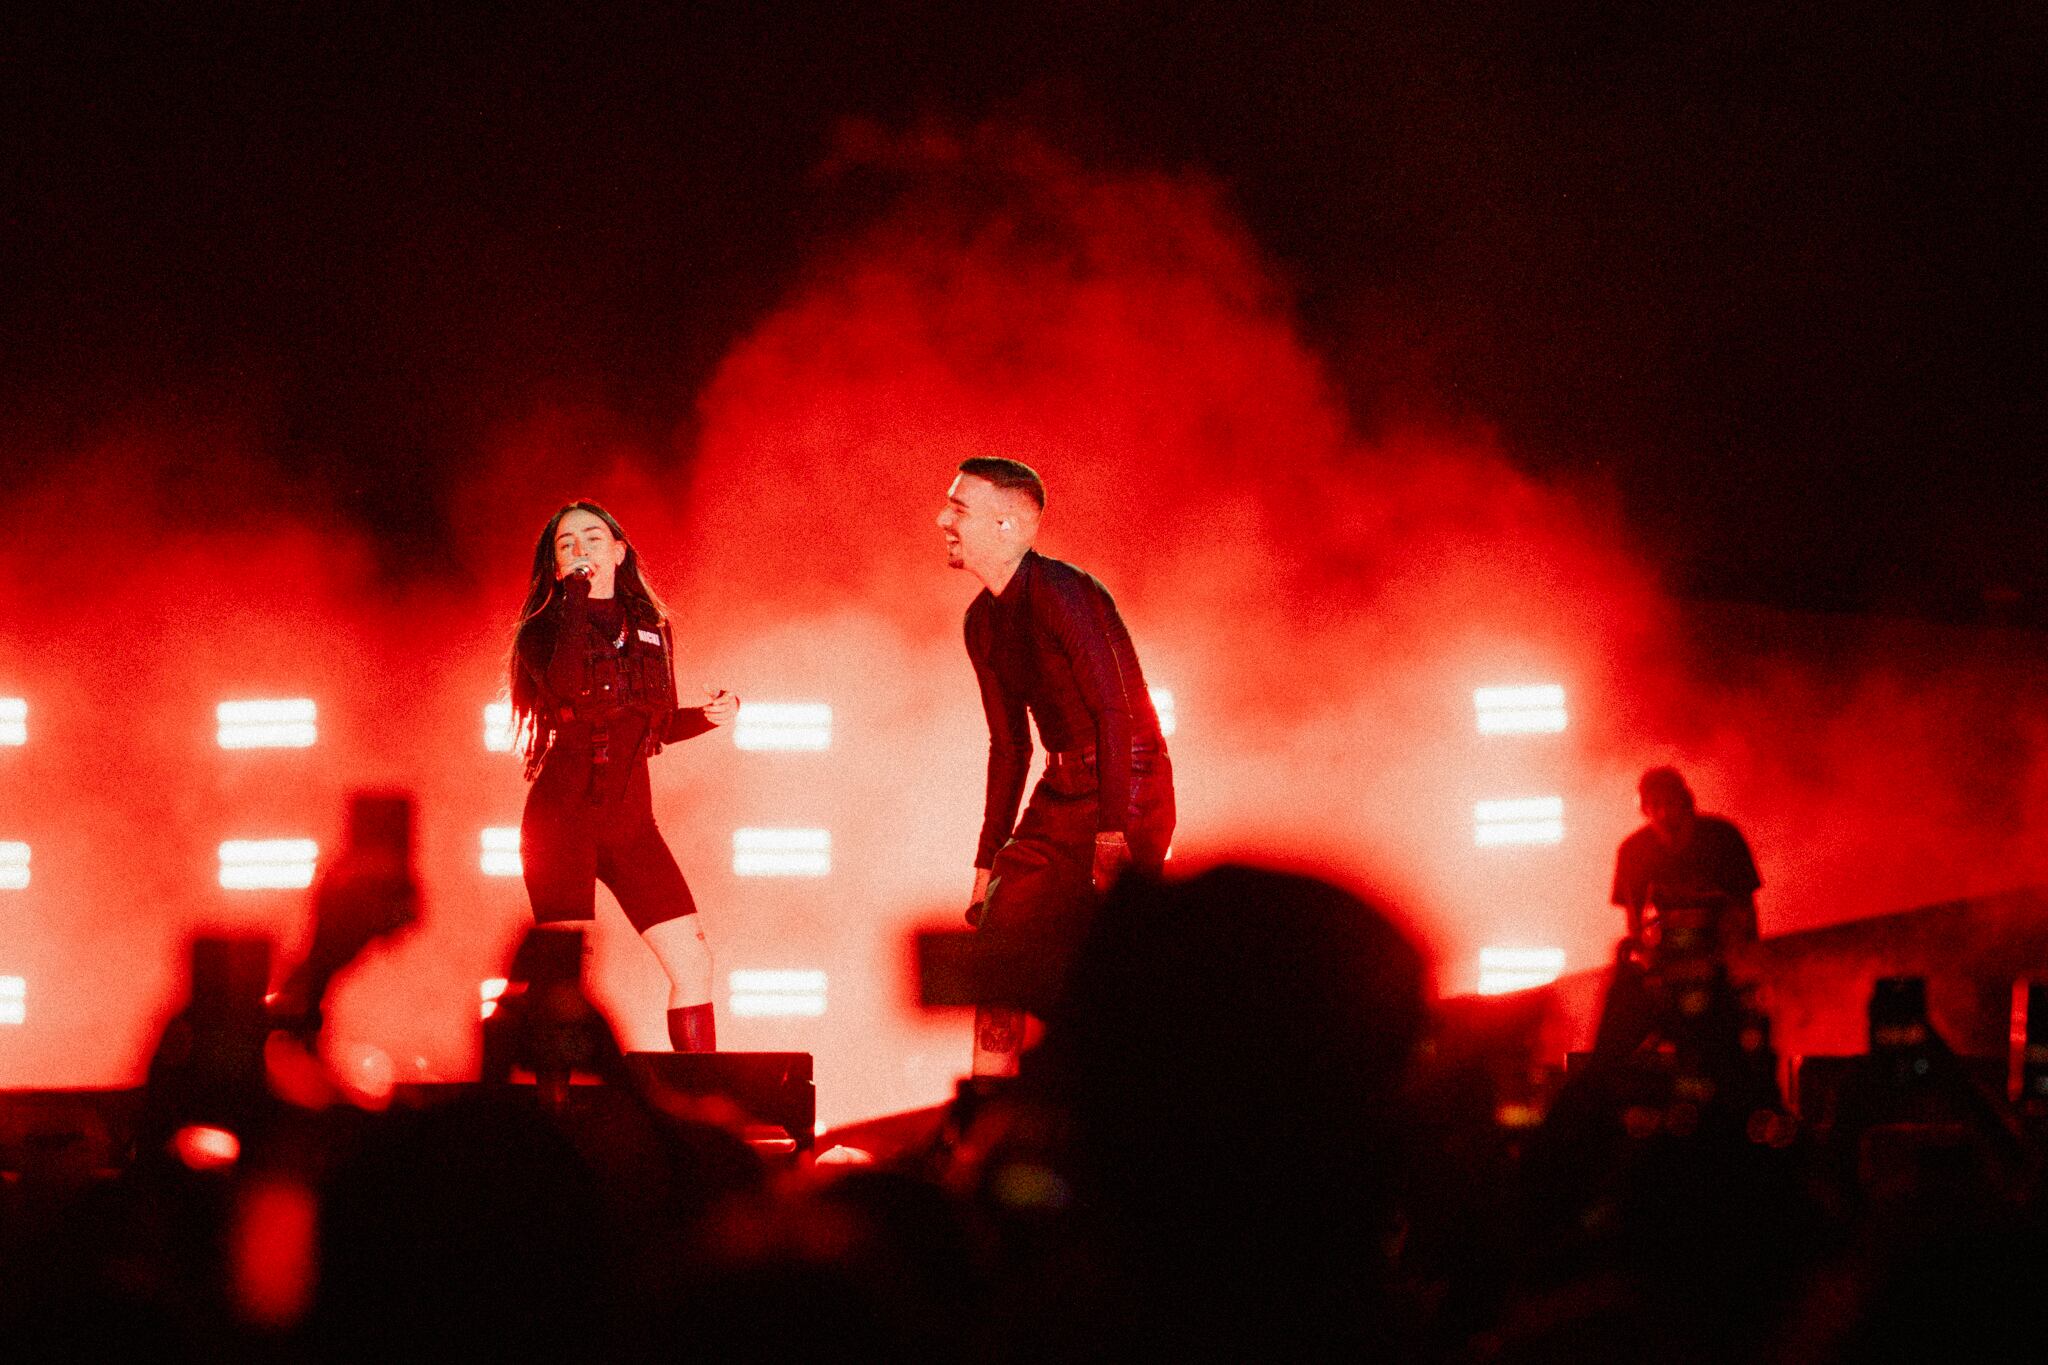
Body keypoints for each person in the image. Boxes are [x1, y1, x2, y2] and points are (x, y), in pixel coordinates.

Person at [936, 457, 1175, 1076]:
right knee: (999, 938)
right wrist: (987, 860)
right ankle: (984, 1112)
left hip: (1130, 777)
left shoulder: (1065, 593)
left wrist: (1113, 834)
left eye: (959, 509)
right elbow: (1009, 747)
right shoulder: (980, 622)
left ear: (1009, 523)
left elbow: (1115, 713)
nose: (943, 520)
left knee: (1112, 963)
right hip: (1062, 785)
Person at [509, 501, 739, 1052]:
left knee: (692, 960)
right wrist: (575, 599)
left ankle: (697, 1096)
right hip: (562, 822)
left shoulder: (651, 629)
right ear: (557, 565)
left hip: (632, 823)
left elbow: (652, 725)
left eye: (593, 538)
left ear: (619, 551)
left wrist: (709, 717)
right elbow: (565, 686)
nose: (582, 549)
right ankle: (554, 1114)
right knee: (561, 984)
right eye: (567, 544)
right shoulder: (542, 630)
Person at [1611, 766, 1761, 947]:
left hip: (1724, 939)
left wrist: (1751, 953)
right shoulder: (1632, 852)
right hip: (1667, 944)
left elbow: (1745, 908)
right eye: (1655, 805)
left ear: (1686, 802)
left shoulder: (1723, 837)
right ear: (1644, 808)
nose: (1663, 814)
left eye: (1670, 803)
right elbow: (1635, 923)